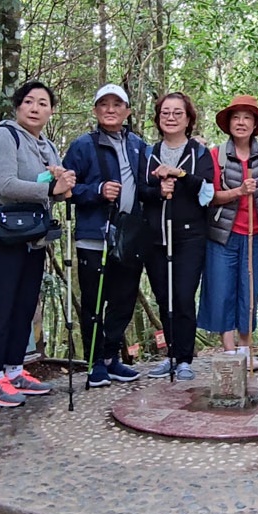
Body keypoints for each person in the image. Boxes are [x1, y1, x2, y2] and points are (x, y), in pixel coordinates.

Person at [0, 80, 76, 407]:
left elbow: (48, 186)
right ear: (18, 106)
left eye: (43, 103)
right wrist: (52, 188)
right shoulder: (5, 136)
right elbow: (5, 184)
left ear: (51, 111)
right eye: (29, 101)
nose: (35, 108)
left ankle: (14, 369)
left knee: (24, 304)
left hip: (31, 236)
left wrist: (62, 183)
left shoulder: (47, 146)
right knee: (0, 305)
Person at [63, 83, 147, 387]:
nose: (110, 110)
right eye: (104, 105)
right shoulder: (83, 146)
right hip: (94, 236)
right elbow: (65, 190)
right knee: (94, 302)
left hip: (128, 238)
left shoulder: (138, 145)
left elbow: (148, 180)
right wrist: (97, 191)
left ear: (127, 110)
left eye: (116, 105)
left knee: (124, 299)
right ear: (96, 110)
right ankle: (95, 361)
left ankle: (112, 357)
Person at [138, 92, 215, 381]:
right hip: (155, 237)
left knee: (183, 296)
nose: (170, 118)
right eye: (165, 113)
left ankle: (185, 358)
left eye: (177, 113)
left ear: (188, 119)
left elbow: (206, 191)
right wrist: (158, 191)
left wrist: (180, 175)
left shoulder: (199, 152)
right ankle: (170, 354)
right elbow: (140, 191)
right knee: (164, 298)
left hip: (189, 236)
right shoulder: (147, 152)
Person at [198, 96, 258, 367]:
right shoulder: (215, 154)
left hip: (255, 234)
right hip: (222, 234)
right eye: (236, 117)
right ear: (228, 123)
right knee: (221, 289)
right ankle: (229, 351)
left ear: (255, 124)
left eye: (247, 118)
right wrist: (238, 192)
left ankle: (246, 348)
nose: (241, 123)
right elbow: (208, 196)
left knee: (249, 290)